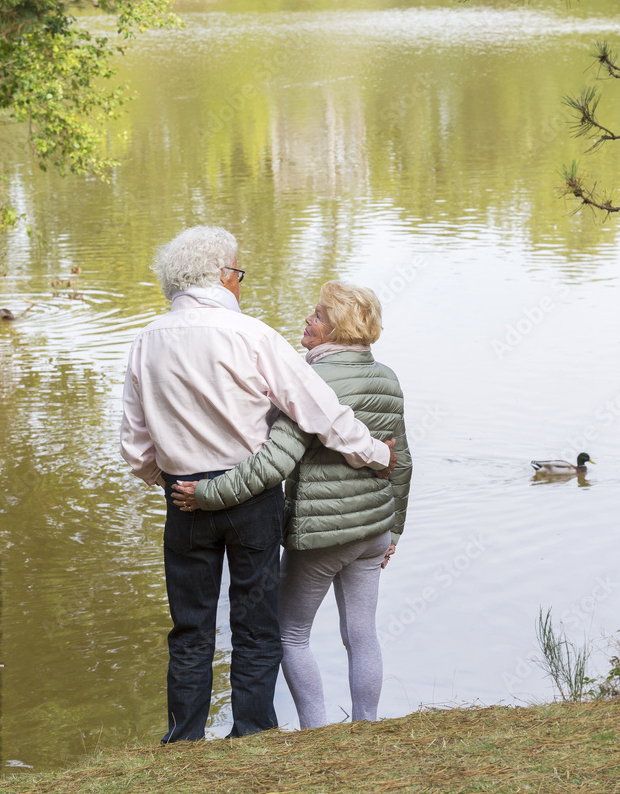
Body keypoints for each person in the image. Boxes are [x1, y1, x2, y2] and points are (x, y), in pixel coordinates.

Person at [120, 226, 395, 743]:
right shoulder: (253, 335)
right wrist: (378, 454)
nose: (240, 285)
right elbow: (319, 411)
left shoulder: (145, 340)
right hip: (252, 500)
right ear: (222, 275)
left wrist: (177, 479)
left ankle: (184, 741)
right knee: (255, 622)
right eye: (238, 273)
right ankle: (252, 734)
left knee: (191, 626)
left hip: (184, 498)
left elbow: (136, 450)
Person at [172, 280, 412, 729]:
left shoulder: (311, 380)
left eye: (318, 314)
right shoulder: (387, 377)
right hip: (374, 533)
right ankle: (367, 728)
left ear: (336, 327)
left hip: (325, 535)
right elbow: (402, 461)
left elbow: (273, 463)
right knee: (361, 634)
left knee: (289, 633)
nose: (308, 318)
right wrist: (394, 530)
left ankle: (316, 733)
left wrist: (207, 495)